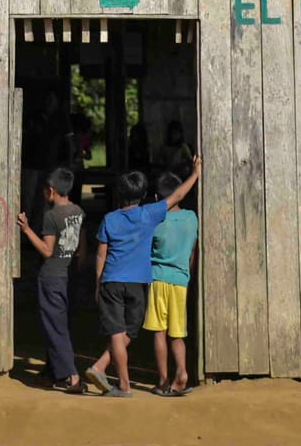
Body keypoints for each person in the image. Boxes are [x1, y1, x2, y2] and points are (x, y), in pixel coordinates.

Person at [83, 153, 201, 398]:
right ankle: (106, 369)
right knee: (132, 331)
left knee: (118, 332)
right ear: (145, 194)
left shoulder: (109, 219)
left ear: (119, 193)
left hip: (113, 280)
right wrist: (196, 174)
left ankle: (122, 382)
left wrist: (97, 283)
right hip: (140, 283)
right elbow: (178, 196)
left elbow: (101, 255)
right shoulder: (149, 215)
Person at [17, 167, 84, 393]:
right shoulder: (78, 212)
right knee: (60, 325)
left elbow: (47, 250)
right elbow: (81, 248)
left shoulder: (52, 216)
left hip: (51, 277)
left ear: (52, 190)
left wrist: (27, 230)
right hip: (68, 275)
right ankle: (52, 372)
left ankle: (73, 377)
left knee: (55, 328)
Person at [144, 170, 200, 396]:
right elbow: (193, 252)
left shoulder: (155, 221)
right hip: (180, 281)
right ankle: (182, 371)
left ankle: (163, 380)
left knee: (159, 332)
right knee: (177, 333)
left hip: (158, 279)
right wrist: (189, 275)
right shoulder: (191, 218)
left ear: (157, 198)